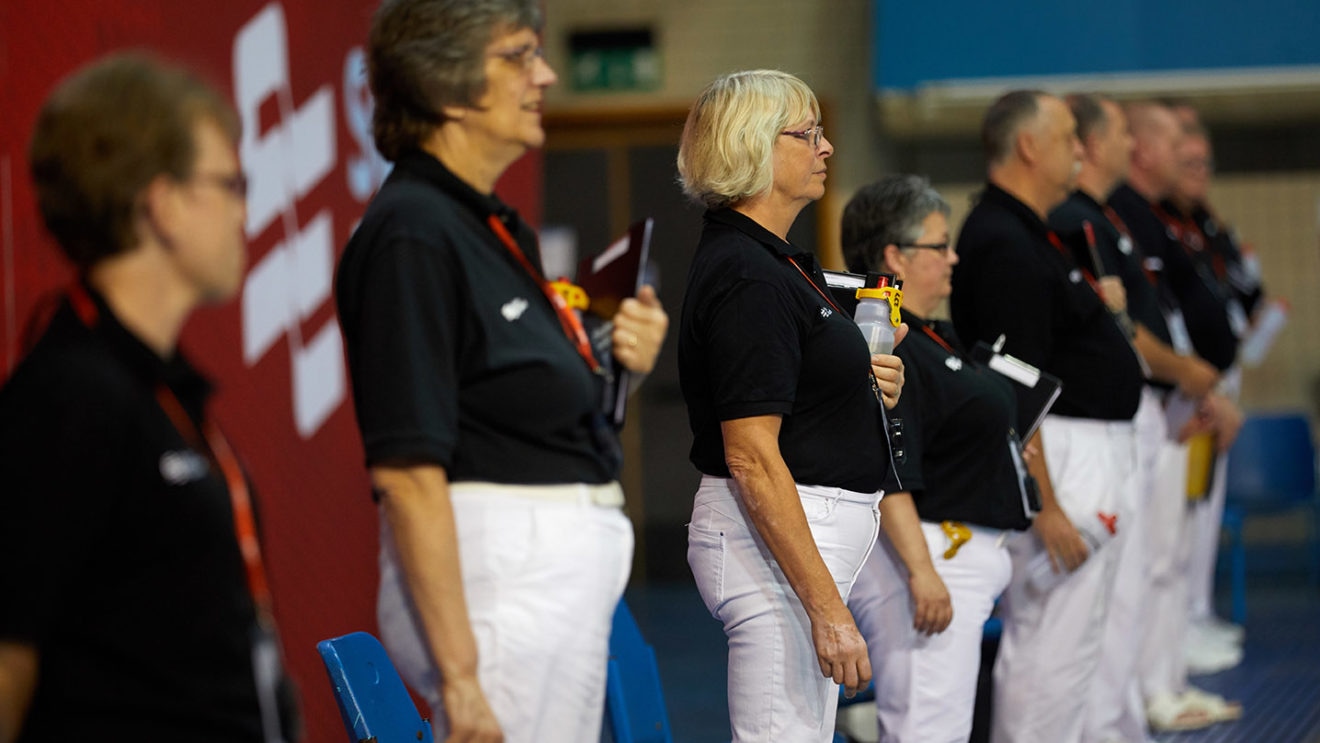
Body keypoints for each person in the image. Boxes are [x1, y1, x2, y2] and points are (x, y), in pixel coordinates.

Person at [334, 1, 668, 742]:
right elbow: (408, 471)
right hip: (499, 598)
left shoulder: (486, 225)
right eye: (518, 56)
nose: (545, 74)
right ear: (445, 87)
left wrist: (618, 363)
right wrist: (461, 676)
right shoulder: (412, 234)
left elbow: (539, 412)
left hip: (541, 591)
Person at [0, 53, 300, 743]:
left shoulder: (162, 388)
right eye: (230, 184)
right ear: (162, 204)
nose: (245, 213)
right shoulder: (67, 398)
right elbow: (10, 655)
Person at [676, 69, 906, 742]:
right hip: (773, 543)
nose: (827, 148)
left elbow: (793, 390)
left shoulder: (772, 263)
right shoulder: (749, 275)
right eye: (808, 134)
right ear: (753, 147)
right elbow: (750, 455)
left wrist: (859, 380)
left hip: (792, 536)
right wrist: (828, 608)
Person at [948, 90, 1145, 743]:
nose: (1081, 149)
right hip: (1059, 456)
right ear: (1029, 145)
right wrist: (1049, 506)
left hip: (1087, 447)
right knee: (1050, 643)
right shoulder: (1002, 241)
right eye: (1068, 137)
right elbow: (1012, 388)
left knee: (1081, 640)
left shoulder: (1033, 233)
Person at [842, 175, 1033, 743]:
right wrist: (923, 572)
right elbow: (889, 467)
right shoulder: (888, 345)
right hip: (926, 557)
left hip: (957, 554)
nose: (954, 258)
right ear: (895, 256)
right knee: (928, 727)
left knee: (944, 723)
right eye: (939, 245)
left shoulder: (936, 336)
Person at [1109, 102, 1245, 686]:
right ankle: (1150, 683)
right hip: (1151, 396)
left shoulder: (1166, 220)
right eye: (1174, 144)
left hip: (1181, 390)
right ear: (1141, 149)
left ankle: (1162, 678)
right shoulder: (1118, 215)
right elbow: (1136, 319)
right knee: (1148, 557)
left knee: (1170, 548)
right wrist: (1186, 377)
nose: (1186, 157)